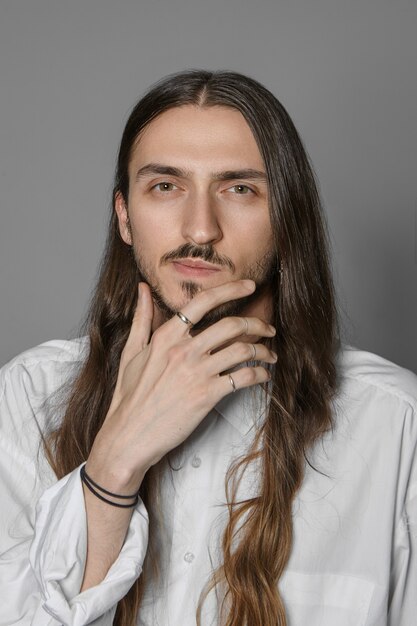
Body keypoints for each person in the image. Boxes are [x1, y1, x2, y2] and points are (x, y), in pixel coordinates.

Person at [0, 69, 416, 626]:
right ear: (125, 216)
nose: (200, 229)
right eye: (165, 186)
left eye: (239, 189)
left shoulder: (396, 422)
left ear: (287, 219)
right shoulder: (28, 396)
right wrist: (113, 466)